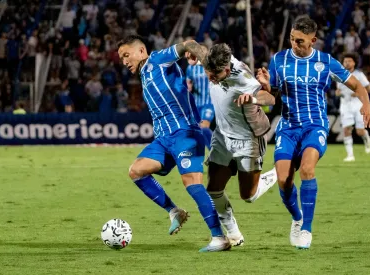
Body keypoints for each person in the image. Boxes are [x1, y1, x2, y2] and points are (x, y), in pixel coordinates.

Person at [257, 17, 370, 249]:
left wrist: (367, 105)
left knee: (308, 170)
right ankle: (297, 218)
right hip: (288, 126)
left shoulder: (326, 62)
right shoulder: (279, 60)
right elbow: (273, 97)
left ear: (313, 40)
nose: (294, 44)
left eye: (299, 41)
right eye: (291, 38)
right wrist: (264, 88)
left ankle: (307, 230)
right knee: (283, 179)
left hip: (315, 126)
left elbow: (358, 86)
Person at [117, 35, 230, 252]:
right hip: (163, 139)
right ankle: (174, 211)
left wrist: (208, 63)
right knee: (136, 171)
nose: (124, 61)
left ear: (141, 51)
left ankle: (219, 237)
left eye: (126, 55)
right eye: (121, 58)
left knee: (192, 184)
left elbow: (187, 44)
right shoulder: (144, 74)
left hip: (185, 132)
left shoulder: (157, 60)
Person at [195, 43, 278, 246]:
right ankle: (233, 234)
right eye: (208, 74)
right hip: (222, 137)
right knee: (213, 189)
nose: (210, 79)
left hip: (248, 139)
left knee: (248, 196)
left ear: (226, 69)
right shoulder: (212, 60)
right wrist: (190, 53)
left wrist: (254, 98)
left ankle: (278, 172)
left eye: (214, 76)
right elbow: (198, 48)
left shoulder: (242, 77)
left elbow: (271, 99)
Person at [335, 52, 370, 162]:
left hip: (358, 105)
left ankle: (366, 137)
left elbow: (369, 89)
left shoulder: (359, 75)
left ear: (354, 63)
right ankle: (350, 155)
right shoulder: (339, 74)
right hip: (345, 105)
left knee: (359, 131)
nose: (347, 63)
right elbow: (338, 90)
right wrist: (337, 93)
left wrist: (358, 93)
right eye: (345, 61)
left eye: (349, 61)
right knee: (346, 129)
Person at [186, 45, 214, 149]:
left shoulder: (211, 66)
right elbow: (188, 84)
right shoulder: (191, 67)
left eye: (203, 51)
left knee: (204, 127)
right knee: (197, 131)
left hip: (209, 103)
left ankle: (215, 153)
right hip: (196, 104)